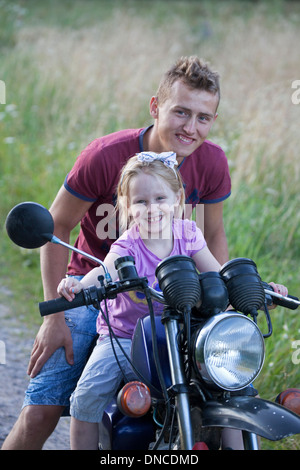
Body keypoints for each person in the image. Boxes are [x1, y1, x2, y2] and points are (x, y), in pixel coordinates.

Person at [2, 56, 232, 450]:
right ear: (156, 107)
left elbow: (212, 236)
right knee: (45, 409)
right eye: (180, 112)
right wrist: (55, 315)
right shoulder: (106, 156)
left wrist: (228, 295)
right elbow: (57, 225)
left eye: (203, 117)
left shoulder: (211, 163)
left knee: (223, 388)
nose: (190, 128)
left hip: (172, 299)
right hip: (96, 292)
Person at [56, 152, 226, 449]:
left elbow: (217, 273)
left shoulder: (187, 234)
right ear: (126, 206)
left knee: (229, 385)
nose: (152, 209)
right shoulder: (127, 245)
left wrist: (252, 286)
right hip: (124, 335)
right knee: (86, 397)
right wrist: (78, 285)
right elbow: (104, 271)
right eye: (141, 202)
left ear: (177, 199)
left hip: (181, 333)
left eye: (160, 198)